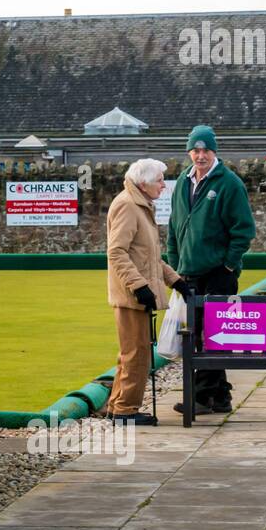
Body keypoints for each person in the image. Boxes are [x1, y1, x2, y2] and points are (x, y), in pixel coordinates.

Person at [166, 125, 257, 415]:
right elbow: (174, 226)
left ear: (214, 151)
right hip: (188, 273)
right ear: (189, 151)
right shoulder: (182, 181)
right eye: (196, 149)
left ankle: (202, 397)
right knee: (198, 334)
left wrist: (229, 264)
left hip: (219, 273)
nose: (200, 155)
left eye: (206, 150)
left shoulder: (229, 183)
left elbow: (244, 230)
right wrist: (175, 264)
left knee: (212, 335)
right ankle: (221, 396)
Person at [106, 158, 191, 426]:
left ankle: (117, 407)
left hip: (137, 295)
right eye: (159, 181)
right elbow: (116, 252)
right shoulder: (128, 205)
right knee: (137, 354)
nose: (164, 186)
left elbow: (150, 258)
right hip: (131, 297)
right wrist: (139, 286)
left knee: (131, 353)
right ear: (143, 183)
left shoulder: (140, 206)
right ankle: (125, 411)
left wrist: (176, 281)